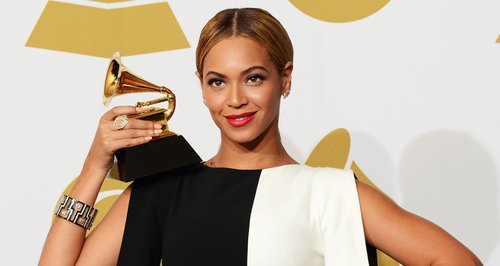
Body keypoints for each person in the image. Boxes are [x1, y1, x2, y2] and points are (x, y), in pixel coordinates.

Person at [39, 7, 482, 266]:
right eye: (217, 82)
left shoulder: (331, 194)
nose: (235, 99)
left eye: (253, 78)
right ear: (199, 85)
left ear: (284, 78)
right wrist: (94, 166)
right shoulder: (161, 191)